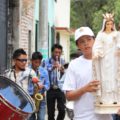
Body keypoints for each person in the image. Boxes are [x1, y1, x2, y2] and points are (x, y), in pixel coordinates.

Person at [63, 26, 112, 120]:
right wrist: (85, 89)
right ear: (78, 46)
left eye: (89, 39)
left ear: (95, 40)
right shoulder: (74, 65)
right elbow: (69, 96)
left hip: (105, 117)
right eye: (82, 41)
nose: (86, 43)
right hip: (82, 117)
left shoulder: (106, 60)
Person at [92, 13, 120, 105]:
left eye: (111, 24)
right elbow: (96, 46)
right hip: (104, 59)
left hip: (114, 59)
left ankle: (114, 98)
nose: (109, 26)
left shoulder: (116, 34)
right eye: (108, 24)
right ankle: (104, 98)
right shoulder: (101, 35)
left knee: (113, 77)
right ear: (104, 24)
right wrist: (96, 53)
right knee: (104, 77)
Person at [44, 44, 66, 120]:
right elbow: (44, 72)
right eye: (56, 52)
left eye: (59, 53)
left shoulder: (63, 61)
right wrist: (53, 67)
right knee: (50, 112)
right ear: (52, 52)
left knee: (62, 110)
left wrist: (63, 71)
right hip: (50, 89)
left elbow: (65, 74)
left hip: (60, 89)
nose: (57, 54)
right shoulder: (46, 61)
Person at [29, 51, 50, 120]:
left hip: (41, 99)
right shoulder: (27, 71)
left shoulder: (44, 71)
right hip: (30, 98)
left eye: (39, 62)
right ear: (31, 61)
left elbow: (48, 85)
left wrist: (43, 86)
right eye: (36, 62)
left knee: (41, 118)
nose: (38, 65)